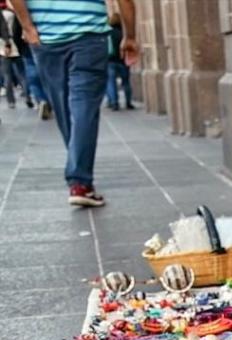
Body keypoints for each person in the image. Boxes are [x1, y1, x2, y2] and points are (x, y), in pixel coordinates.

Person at [7, 0, 138, 207]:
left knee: (64, 108)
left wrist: (28, 26)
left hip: (46, 37)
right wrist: (129, 36)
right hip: (88, 36)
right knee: (83, 106)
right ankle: (80, 181)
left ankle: (79, 179)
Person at [0, 1, 33, 110]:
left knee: (7, 75)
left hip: (5, 47)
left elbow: (3, 29)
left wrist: (7, 44)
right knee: (22, 73)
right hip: (16, 46)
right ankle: (28, 96)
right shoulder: (14, 13)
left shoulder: (3, 14)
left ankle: (11, 101)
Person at [105, 12, 132, 111]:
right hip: (123, 60)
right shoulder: (124, 33)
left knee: (111, 82)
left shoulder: (108, 32)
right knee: (126, 82)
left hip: (110, 60)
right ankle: (128, 102)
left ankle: (114, 102)